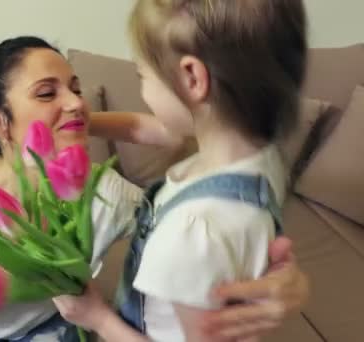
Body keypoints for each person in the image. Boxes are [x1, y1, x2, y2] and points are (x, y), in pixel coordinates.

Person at [0, 36, 308, 342]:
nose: (75, 100)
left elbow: (191, 209)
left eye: (75, 88)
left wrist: (274, 280)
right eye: (47, 92)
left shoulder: (108, 194)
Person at [53, 1, 309, 341]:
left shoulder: (191, 230)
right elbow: (145, 129)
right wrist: (78, 123)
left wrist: (98, 318)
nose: (142, 89)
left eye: (141, 76)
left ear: (192, 77)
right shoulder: (261, 155)